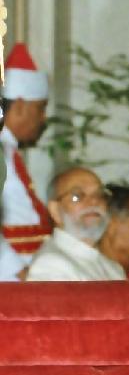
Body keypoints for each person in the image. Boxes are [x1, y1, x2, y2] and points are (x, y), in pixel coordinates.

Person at [0, 43, 53, 281]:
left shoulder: (8, 149)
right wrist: (17, 271)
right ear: (20, 106)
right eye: (40, 108)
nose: (43, 118)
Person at [26, 166, 125, 281]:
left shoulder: (112, 268)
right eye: (78, 196)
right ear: (55, 210)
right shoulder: (50, 265)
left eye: (99, 195)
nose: (94, 201)